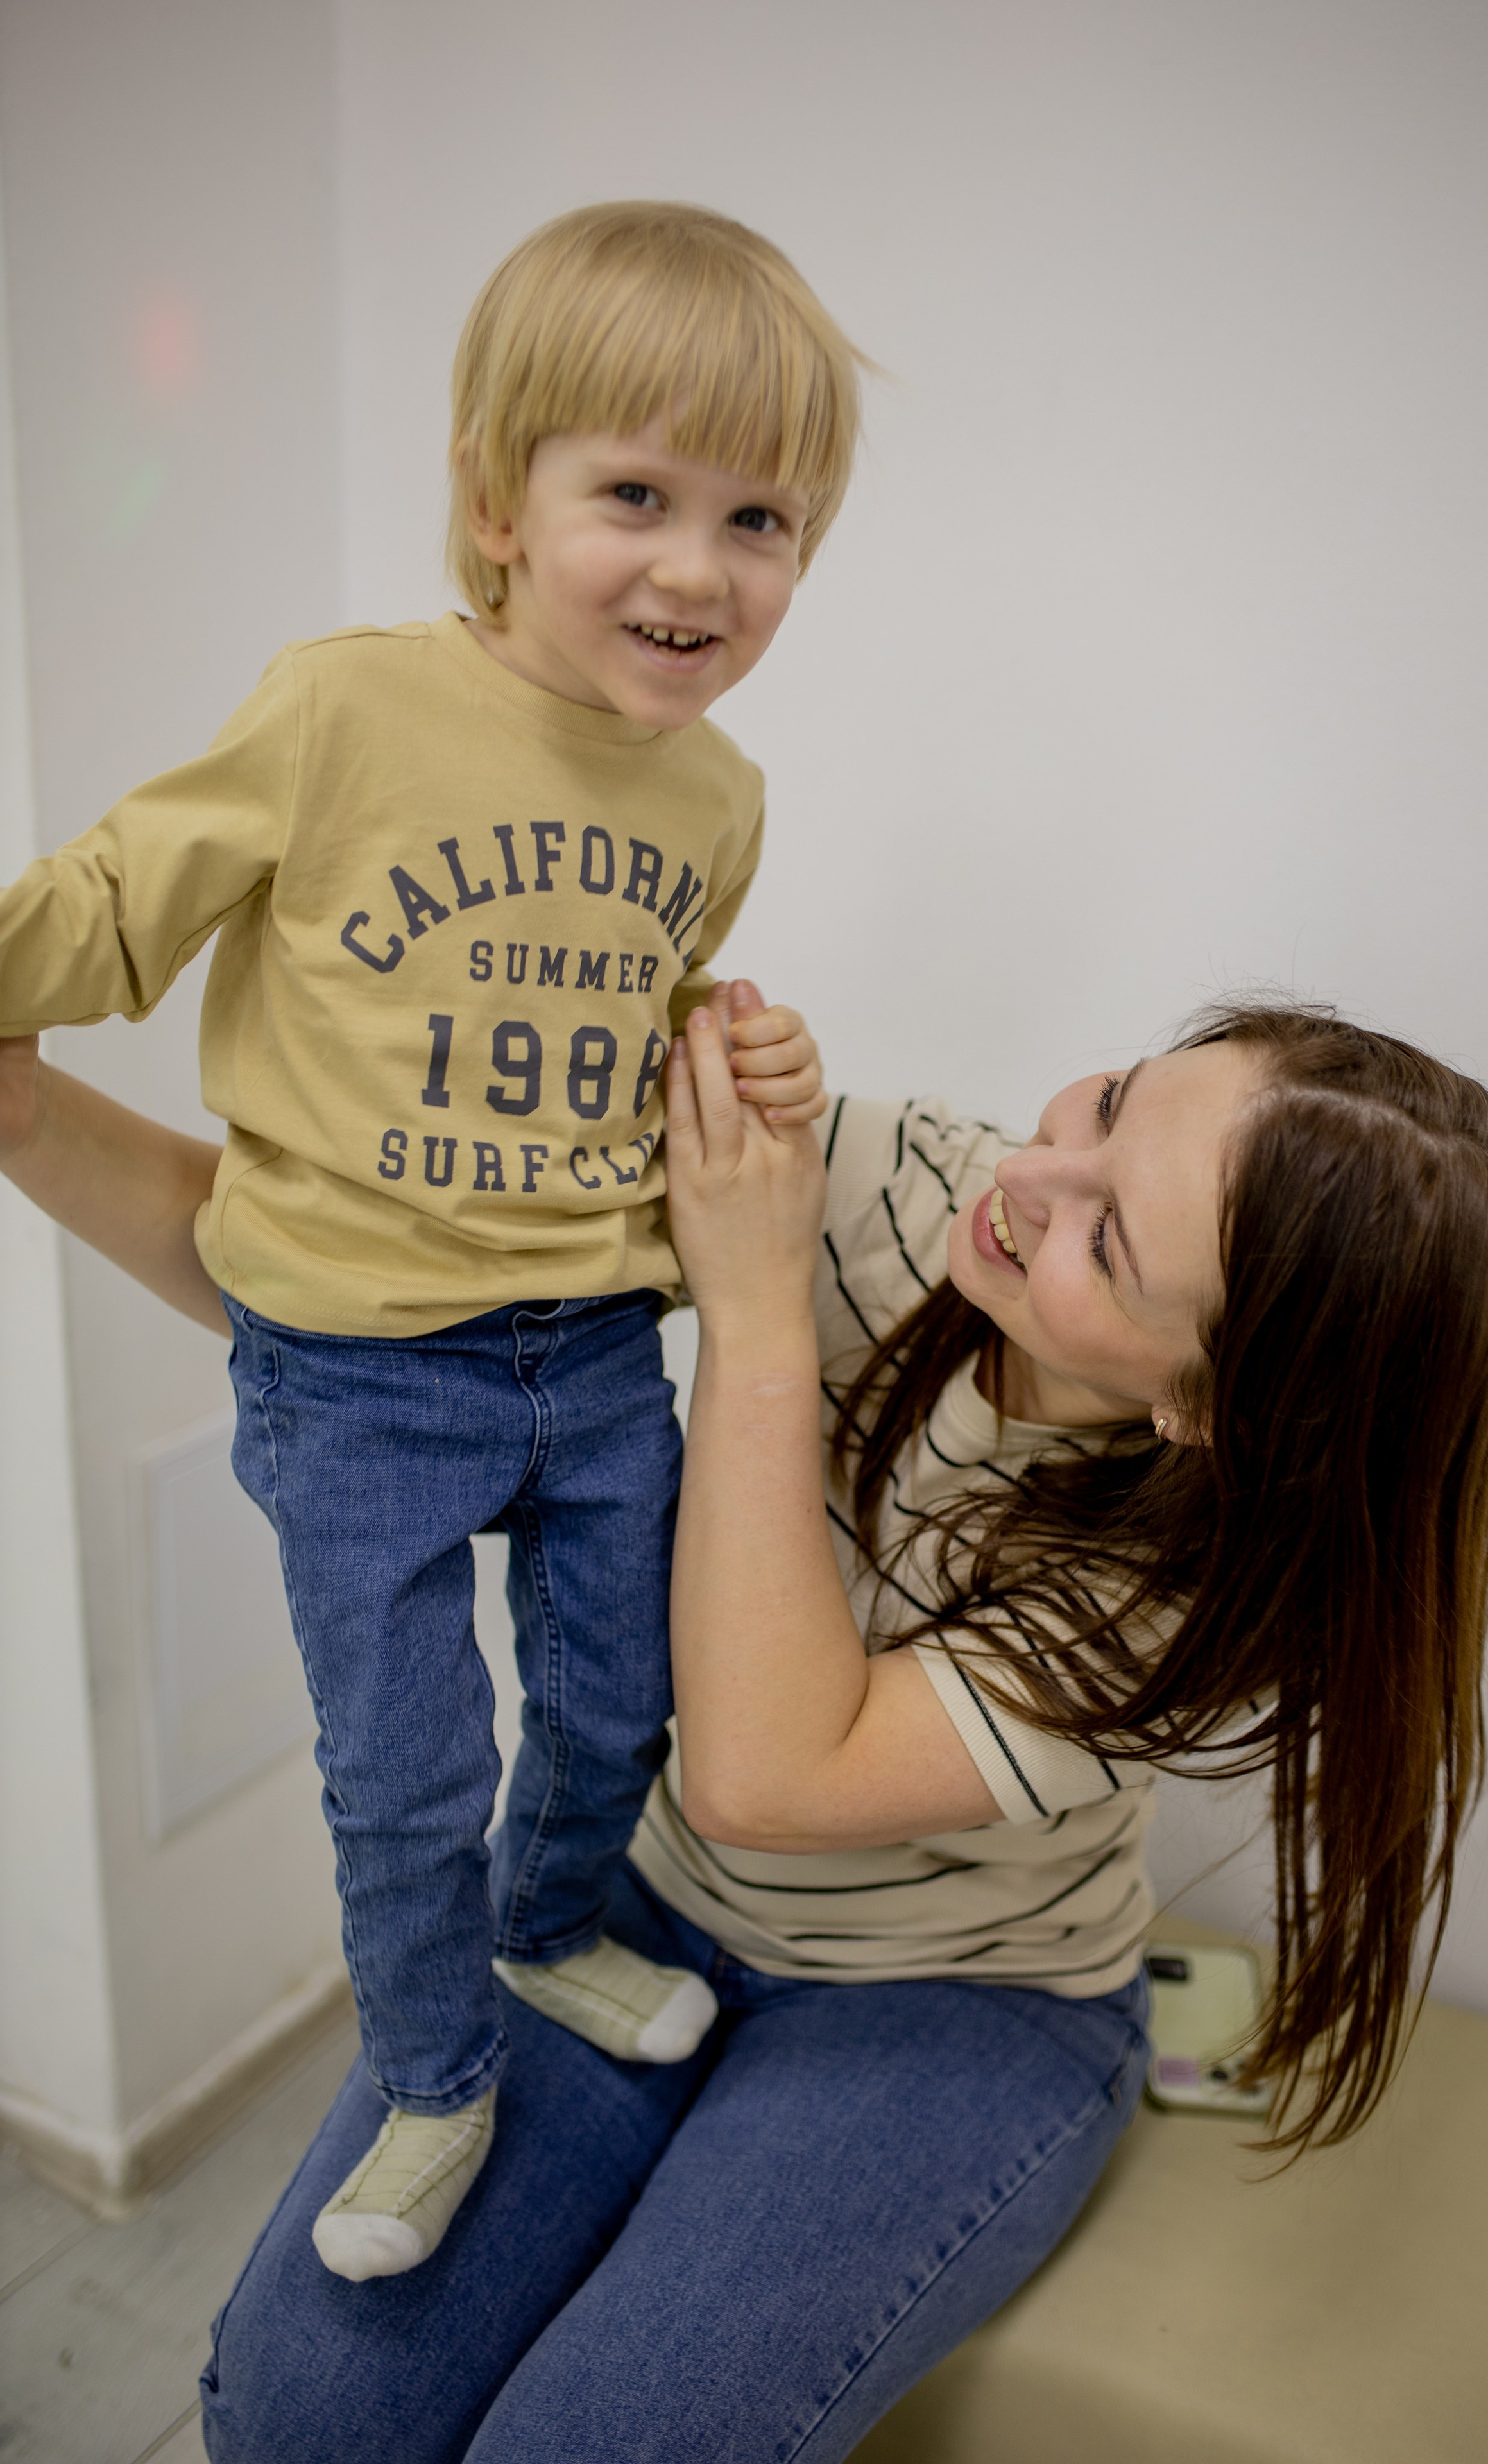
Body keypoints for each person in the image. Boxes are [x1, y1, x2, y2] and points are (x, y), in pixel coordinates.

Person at [0, 986, 1488, 2461]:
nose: (1029, 1173)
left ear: (1202, 1408)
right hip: (620, 1894)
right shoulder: (883, 1180)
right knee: (297, 2417)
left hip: (955, 2004)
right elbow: (363, 1313)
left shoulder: (1195, 1600)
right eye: (1104, 1101)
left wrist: (750, 1305)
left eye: (1108, 1240)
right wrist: (25, 1114)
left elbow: (764, 1774)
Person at [0, 201, 864, 2279]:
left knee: (613, 1706)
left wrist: (738, 1064)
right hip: (359, 1366)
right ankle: (431, 2072)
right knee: (405, 1766)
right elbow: (119, 904)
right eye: (636, 494)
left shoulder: (719, 798)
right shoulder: (345, 708)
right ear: (497, 507)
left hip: (591, 1346)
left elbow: (631, 1016)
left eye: (762, 519)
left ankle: (550, 1929)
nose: (697, 566)